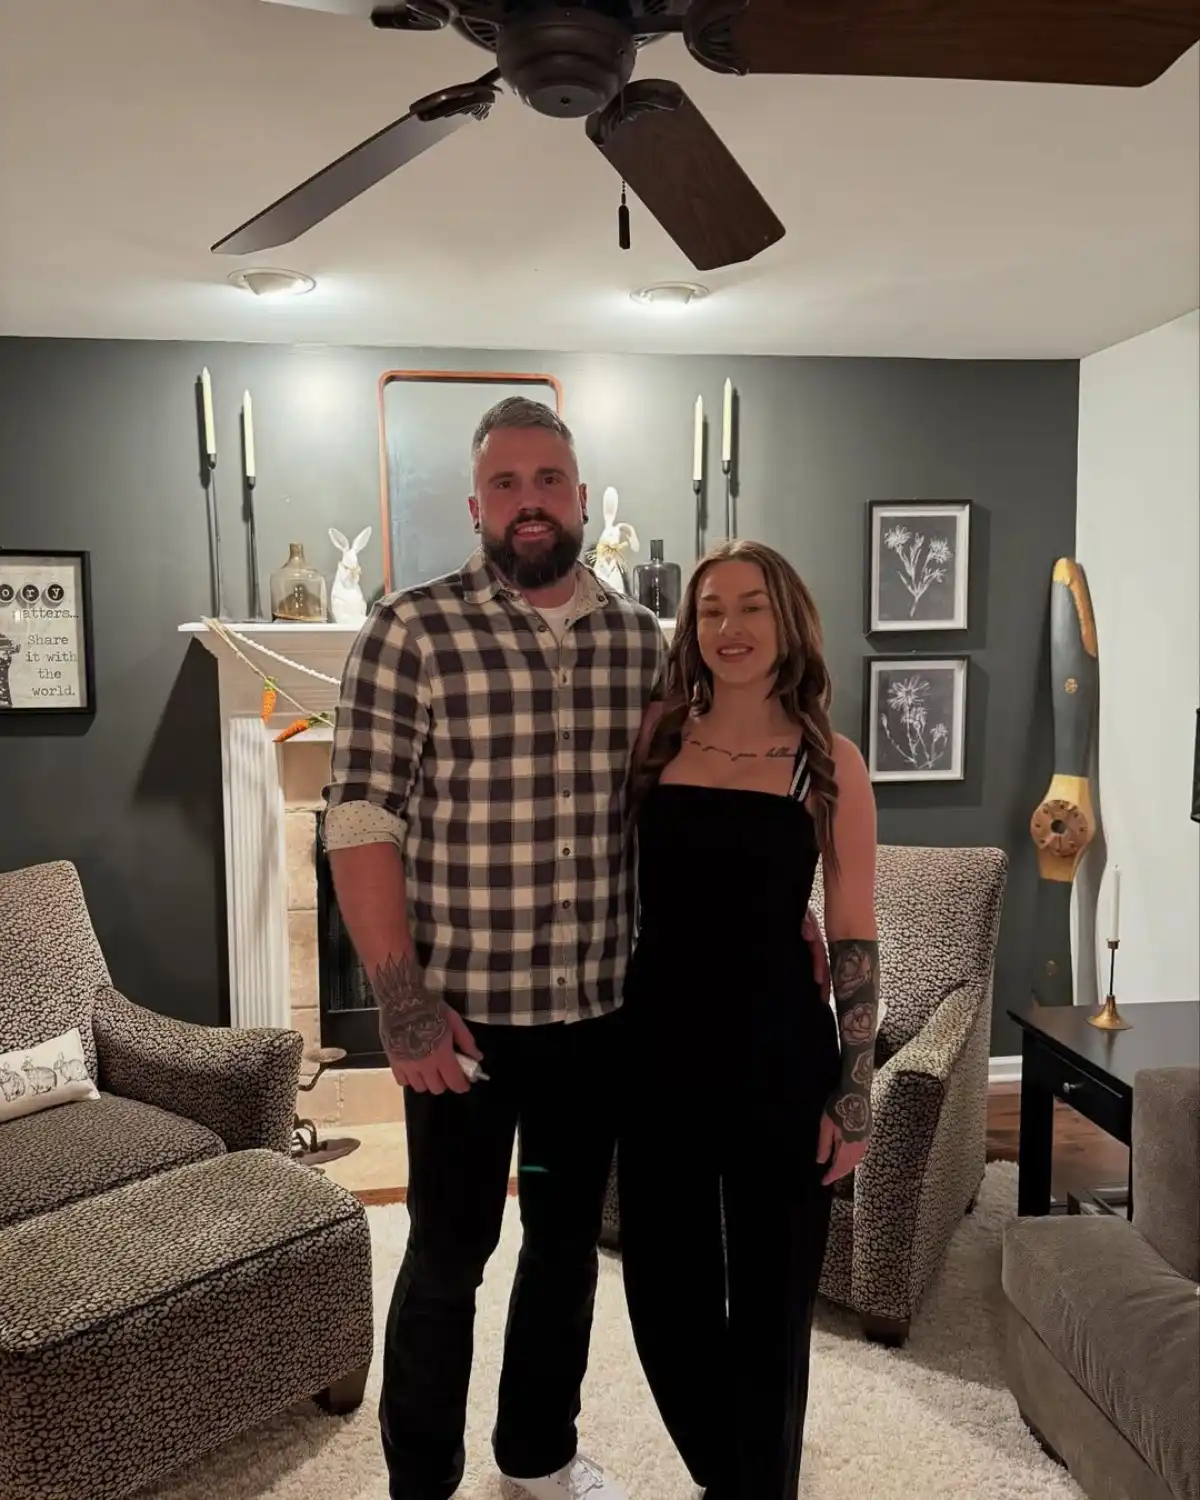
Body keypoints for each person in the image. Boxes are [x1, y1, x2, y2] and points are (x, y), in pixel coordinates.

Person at [322, 396, 660, 1500]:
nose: (529, 502)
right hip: (461, 1033)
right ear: (475, 506)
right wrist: (403, 1008)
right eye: (506, 484)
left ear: (580, 496)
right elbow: (360, 820)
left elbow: (681, 809)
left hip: (593, 1023)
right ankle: (421, 1480)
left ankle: (537, 1459)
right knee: (446, 1256)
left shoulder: (641, 643)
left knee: (564, 1252)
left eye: (548, 479)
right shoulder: (410, 630)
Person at [617, 539, 879, 1500]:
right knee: (661, 1287)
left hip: (780, 1052)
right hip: (659, 1044)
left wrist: (855, 1088)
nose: (730, 626)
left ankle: (756, 1486)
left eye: (752, 606)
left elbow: (853, 934)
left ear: (788, 621)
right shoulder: (656, 738)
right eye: (711, 609)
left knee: (773, 1302)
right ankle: (727, 1470)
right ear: (691, 630)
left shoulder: (829, 764)